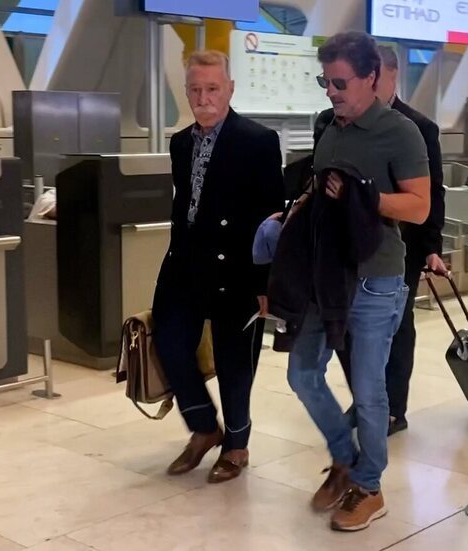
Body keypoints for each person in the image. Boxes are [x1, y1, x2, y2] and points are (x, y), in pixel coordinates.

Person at [286, 32, 430, 532]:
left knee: (368, 391)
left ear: (371, 78)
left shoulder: (401, 133)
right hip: (326, 274)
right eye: (325, 80)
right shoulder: (329, 126)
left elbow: (419, 205)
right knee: (302, 373)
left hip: (375, 282)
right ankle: (345, 457)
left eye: (340, 81)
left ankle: (369, 486)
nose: (331, 90)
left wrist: (366, 198)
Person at [152, 50, 284, 483]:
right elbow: (183, 206)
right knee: (170, 344)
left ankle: (237, 445)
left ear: (229, 88)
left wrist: (266, 282)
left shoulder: (258, 141)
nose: (203, 98)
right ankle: (205, 428)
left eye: (212, 88)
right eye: (195, 89)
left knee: (235, 363)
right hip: (184, 264)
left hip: (238, 268)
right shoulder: (180, 142)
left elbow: (272, 217)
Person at [314, 45, 446, 435]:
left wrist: (432, 246)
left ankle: (391, 409)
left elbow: (431, 194)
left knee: (396, 328)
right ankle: (368, 400)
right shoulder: (329, 122)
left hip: (399, 246)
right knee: (347, 332)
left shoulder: (415, 127)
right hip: (343, 247)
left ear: (386, 77)